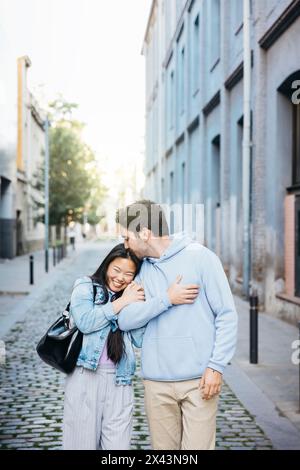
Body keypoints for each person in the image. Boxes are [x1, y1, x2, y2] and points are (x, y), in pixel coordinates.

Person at [116, 200, 238, 450]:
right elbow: (125, 320)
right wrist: (166, 299)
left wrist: (216, 366)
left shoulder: (201, 258)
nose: (124, 244)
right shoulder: (141, 272)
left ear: (145, 233)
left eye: (127, 237)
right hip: (156, 381)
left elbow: (226, 315)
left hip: (199, 380)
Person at [62, 243, 146, 450]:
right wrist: (122, 302)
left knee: (118, 447)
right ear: (106, 265)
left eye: (128, 274)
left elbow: (139, 339)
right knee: (81, 444)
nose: (120, 278)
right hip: (85, 375)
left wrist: (137, 304)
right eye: (116, 270)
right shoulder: (85, 286)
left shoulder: (132, 296)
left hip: (121, 379)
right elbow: (86, 322)